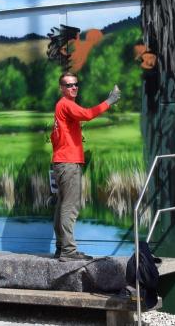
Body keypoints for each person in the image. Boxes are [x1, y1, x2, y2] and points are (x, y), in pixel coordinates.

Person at [51, 72, 120, 262]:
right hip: (69, 163)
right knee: (69, 207)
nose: (73, 88)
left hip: (62, 162)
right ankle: (68, 251)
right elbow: (88, 115)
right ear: (61, 88)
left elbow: (54, 137)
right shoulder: (66, 104)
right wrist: (110, 101)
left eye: (75, 84)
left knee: (62, 206)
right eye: (68, 85)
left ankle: (61, 247)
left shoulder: (61, 106)